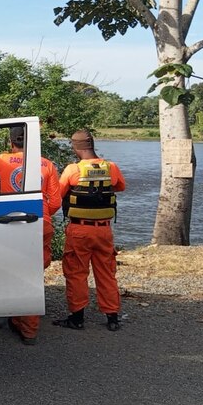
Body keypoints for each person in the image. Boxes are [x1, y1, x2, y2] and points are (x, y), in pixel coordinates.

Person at [0, 126, 61, 345]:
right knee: (33, 273)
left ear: (11, 142)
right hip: (41, 222)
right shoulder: (46, 164)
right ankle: (24, 324)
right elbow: (56, 201)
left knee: (15, 273)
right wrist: (43, 215)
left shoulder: (2, 160)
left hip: (10, 223)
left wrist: (0, 188)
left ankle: (26, 326)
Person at [53, 129, 126, 332]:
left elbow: (57, 194)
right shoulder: (111, 167)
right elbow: (120, 186)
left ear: (76, 148)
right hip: (104, 230)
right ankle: (112, 318)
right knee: (106, 273)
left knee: (76, 273)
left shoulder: (72, 170)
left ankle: (77, 319)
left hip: (79, 230)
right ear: (92, 145)